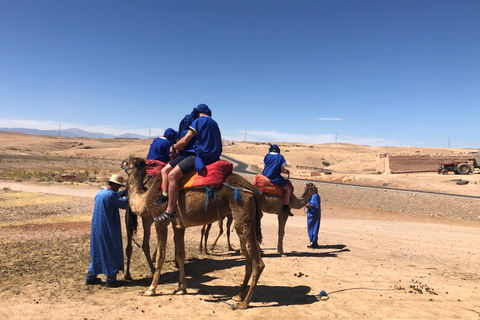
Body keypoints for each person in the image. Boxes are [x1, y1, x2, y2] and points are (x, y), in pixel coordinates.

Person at [154, 104, 222, 222]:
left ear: (197, 113)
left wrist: (174, 147)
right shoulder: (215, 123)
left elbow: (185, 140)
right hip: (214, 158)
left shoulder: (198, 121)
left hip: (200, 156)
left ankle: (170, 211)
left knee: (172, 175)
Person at [85, 174, 128, 287]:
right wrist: (130, 196)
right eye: (118, 186)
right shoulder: (111, 195)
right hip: (107, 227)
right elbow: (124, 204)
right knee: (111, 249)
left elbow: (111, 197)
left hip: (97, 227)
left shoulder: (99, 193)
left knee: (97, 251)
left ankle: (91, 276)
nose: (118, 188)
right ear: (114, 184)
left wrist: (121, 193)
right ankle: (111, 278)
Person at [262, 144, 293, 216]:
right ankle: (286, 207)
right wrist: (286, 172)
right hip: (274, 177)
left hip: (264, 176)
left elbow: (265, 166)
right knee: (288, 189)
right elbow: (282, 170)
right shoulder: (280, 157)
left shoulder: (267, 155)